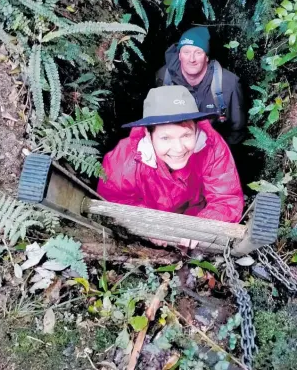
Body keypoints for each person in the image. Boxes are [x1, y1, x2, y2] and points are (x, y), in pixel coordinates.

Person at [97, 86, 244, 247]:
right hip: (146, 231)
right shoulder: (124, 159)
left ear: (196, 128)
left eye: (186, 135)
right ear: (148, 134)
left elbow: (227, 199)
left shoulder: (211, 146)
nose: (179, 148)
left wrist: (201, 226)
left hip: (195, 224)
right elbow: (111, 201)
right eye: (166, 138)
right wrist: (149, 224)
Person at [155, 26, 246, 146]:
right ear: (179, 55)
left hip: (214, 151)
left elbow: (237, 131)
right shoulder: (165, 78)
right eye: (186, 52)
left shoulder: (228, 83)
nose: (192, 59)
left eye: (198, 52)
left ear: (207, 57)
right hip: (176, 150)